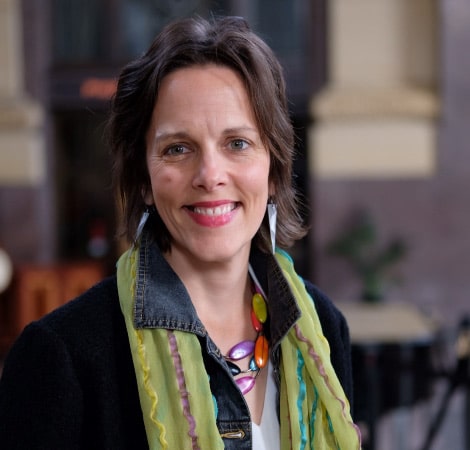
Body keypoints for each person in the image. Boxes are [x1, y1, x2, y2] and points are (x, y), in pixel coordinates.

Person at [0, 16, 361, 449]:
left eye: (237, 143)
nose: (210, 175)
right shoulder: (60, 358)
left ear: (273, 170)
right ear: (143, 180)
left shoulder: (322, 326)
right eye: (178, 148)